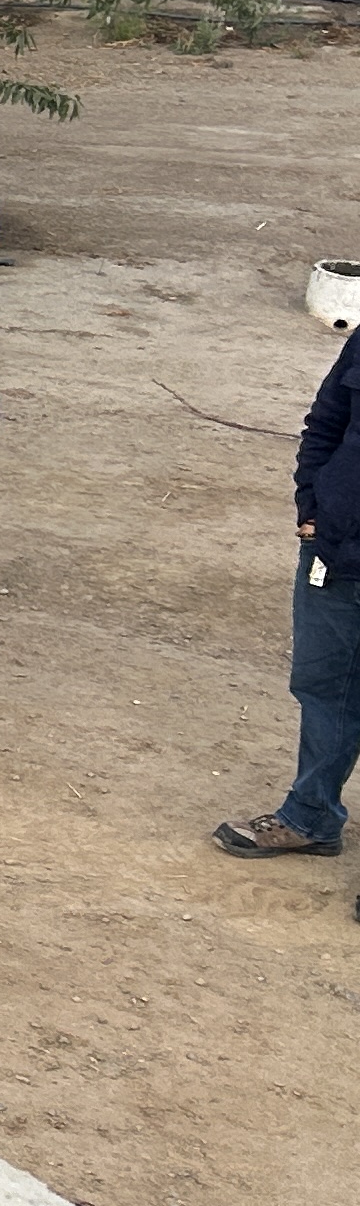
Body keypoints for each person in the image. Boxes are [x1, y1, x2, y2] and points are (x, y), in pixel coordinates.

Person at [217, 312, 360, 865]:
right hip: (337, 550)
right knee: (325, 688)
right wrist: (312, 506)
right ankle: (311, 816)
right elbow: (326, 423)